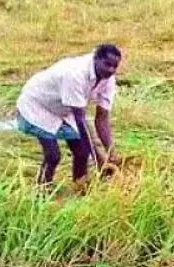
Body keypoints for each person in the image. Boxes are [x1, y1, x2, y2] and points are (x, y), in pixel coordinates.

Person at [15, 44, 121, 187]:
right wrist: (98, 158)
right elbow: (81, 120)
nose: (111, 70)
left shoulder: (108, 79)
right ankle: (41, 194)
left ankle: (80, 188)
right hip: (38, 105)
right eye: (107, 64)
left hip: (64, 107)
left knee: (82, 151)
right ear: (96, 58)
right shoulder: (75, 74)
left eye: (115, 66)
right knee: (53, 155)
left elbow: (101, 119)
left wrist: (111, 152)